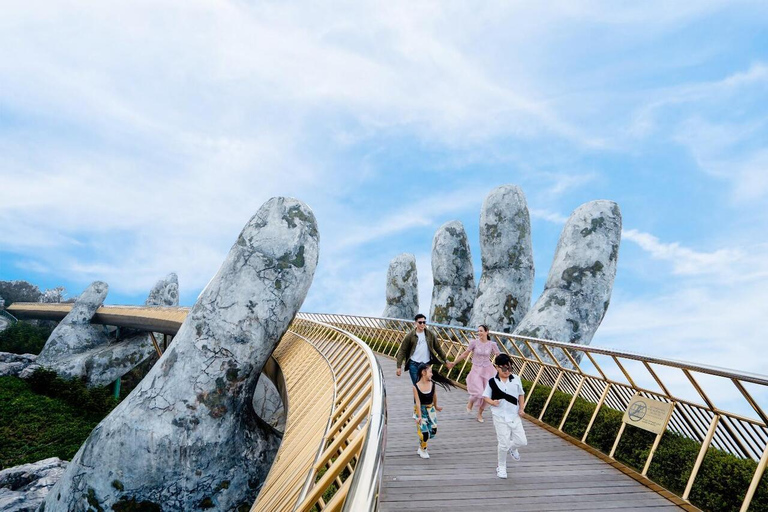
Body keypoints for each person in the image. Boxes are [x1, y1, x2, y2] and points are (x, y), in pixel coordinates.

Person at [482, 353, 527, 479]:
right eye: (504, 368)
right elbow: (485, 396)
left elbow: (521, 394)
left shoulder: (516, 379)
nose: (507, 371)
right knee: (503, 443)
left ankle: (513, 448)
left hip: (514, 415)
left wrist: (522, 408)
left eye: (509, 368)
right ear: (497, 367)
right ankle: (501, 467)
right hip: (499, 415)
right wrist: (492, 402)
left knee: (522, 441)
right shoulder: (492, 382)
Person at [446, 324, 500, 423]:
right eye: (478, 331)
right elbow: (465, 354)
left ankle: (480, 413)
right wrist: (454, 362)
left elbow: (498, 356)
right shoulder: (473, 342)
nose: (479, 333)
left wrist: (503, 368)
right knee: (478, 392)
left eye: (481, 331)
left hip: (488, 370)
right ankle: (471, 401)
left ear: (487, 332)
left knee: (487, 394)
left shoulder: (492, 344)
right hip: (476, 370)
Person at [396, 314, 448, 384]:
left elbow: (438, 348)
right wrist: (399, 367)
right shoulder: (410, 336)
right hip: (413, 364)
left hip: (426, 364)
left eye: (424, 322)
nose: (422, 324)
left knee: (426, 386)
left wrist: (446, 360)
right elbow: (402, 350)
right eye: (420, 322)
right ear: (415, 323)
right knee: (417, 386)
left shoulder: (430, 334)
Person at [413, 363, 442, 459]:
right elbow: (417, 402)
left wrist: (436, 406)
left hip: (431, 409)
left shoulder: (432, 384)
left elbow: (434, 396)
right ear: (423, 373)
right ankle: (423, 449)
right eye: (430, 372)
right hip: (420, 410)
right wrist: (419, 416)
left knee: (433, 431)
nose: (432, 374)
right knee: (424, 432)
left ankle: (422, 443)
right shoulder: (416, 386)